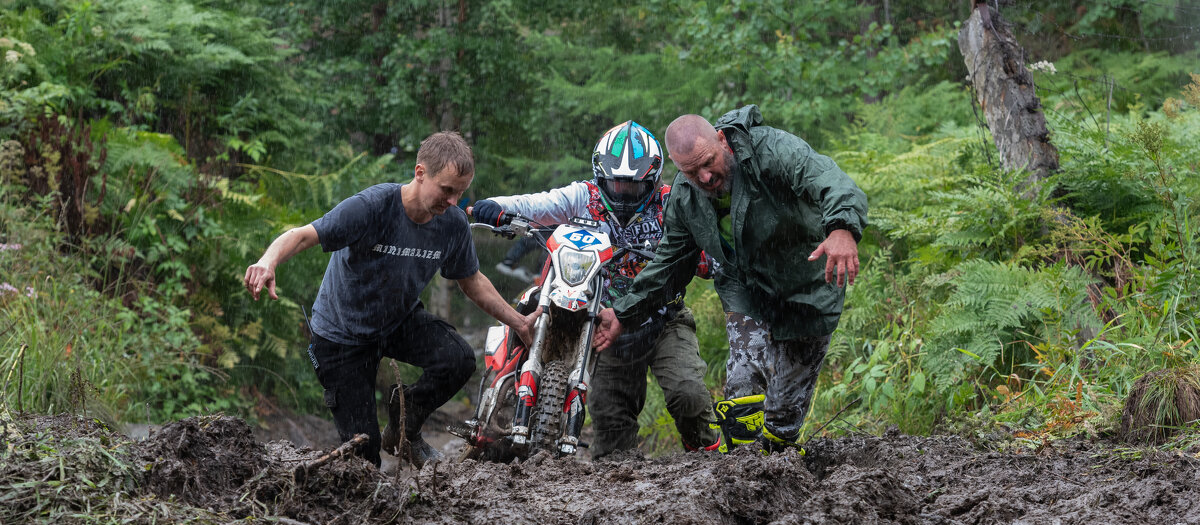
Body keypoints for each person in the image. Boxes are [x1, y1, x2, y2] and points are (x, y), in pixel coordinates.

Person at [244, 131, 538, 468]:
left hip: (397, 321)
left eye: (460, 193)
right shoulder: (372, 207)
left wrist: (518, 322)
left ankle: (404, 427)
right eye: (447, 190)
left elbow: (472, 281)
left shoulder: (452, 223)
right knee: (364, 458)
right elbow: (302, 236)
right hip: (342, 337)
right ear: (420, 172)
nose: (454, 201)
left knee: (457, 359)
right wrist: (268, 261)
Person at [593, 106, 868, 453]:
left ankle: (780, 467)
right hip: (747, 289)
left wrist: (842, 228)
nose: (706, 178)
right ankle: (739, 470)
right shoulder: (685, 197)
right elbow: (669, 265)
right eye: (692, 172)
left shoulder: (770, 150)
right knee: (743, 389)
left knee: (782, 419)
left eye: (709, 163)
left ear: (722, 140)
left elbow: (829, 179)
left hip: (807, 286)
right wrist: (623, 312)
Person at [470, 120, 719, 458]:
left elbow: (706, 246)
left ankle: (712, 462)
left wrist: (709, 258)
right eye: (615, 183)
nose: (622, 192)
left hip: (664, 319)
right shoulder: (584, 196)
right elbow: (539, 204)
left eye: (632, 187)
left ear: (651, 179)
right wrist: (498, 206)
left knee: (688, 396)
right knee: (611, 426)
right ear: (601, 176)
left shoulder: (671, 201)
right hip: (601, 324)